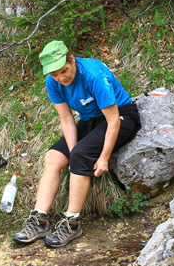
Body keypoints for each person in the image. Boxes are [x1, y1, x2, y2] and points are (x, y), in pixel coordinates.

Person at [13, 40, 141, 248]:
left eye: (64, 71)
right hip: (90, 120)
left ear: (71, 59)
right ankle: (40, 219)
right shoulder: (52, 82)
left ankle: (72, 221)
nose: (61, 78)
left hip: (121, 117)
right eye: (55, 74)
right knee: (53, 158)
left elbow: (113, 120)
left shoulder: (92, 75)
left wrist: (104, 157)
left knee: (81, 155)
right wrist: (72, 154)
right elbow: (66, 120)